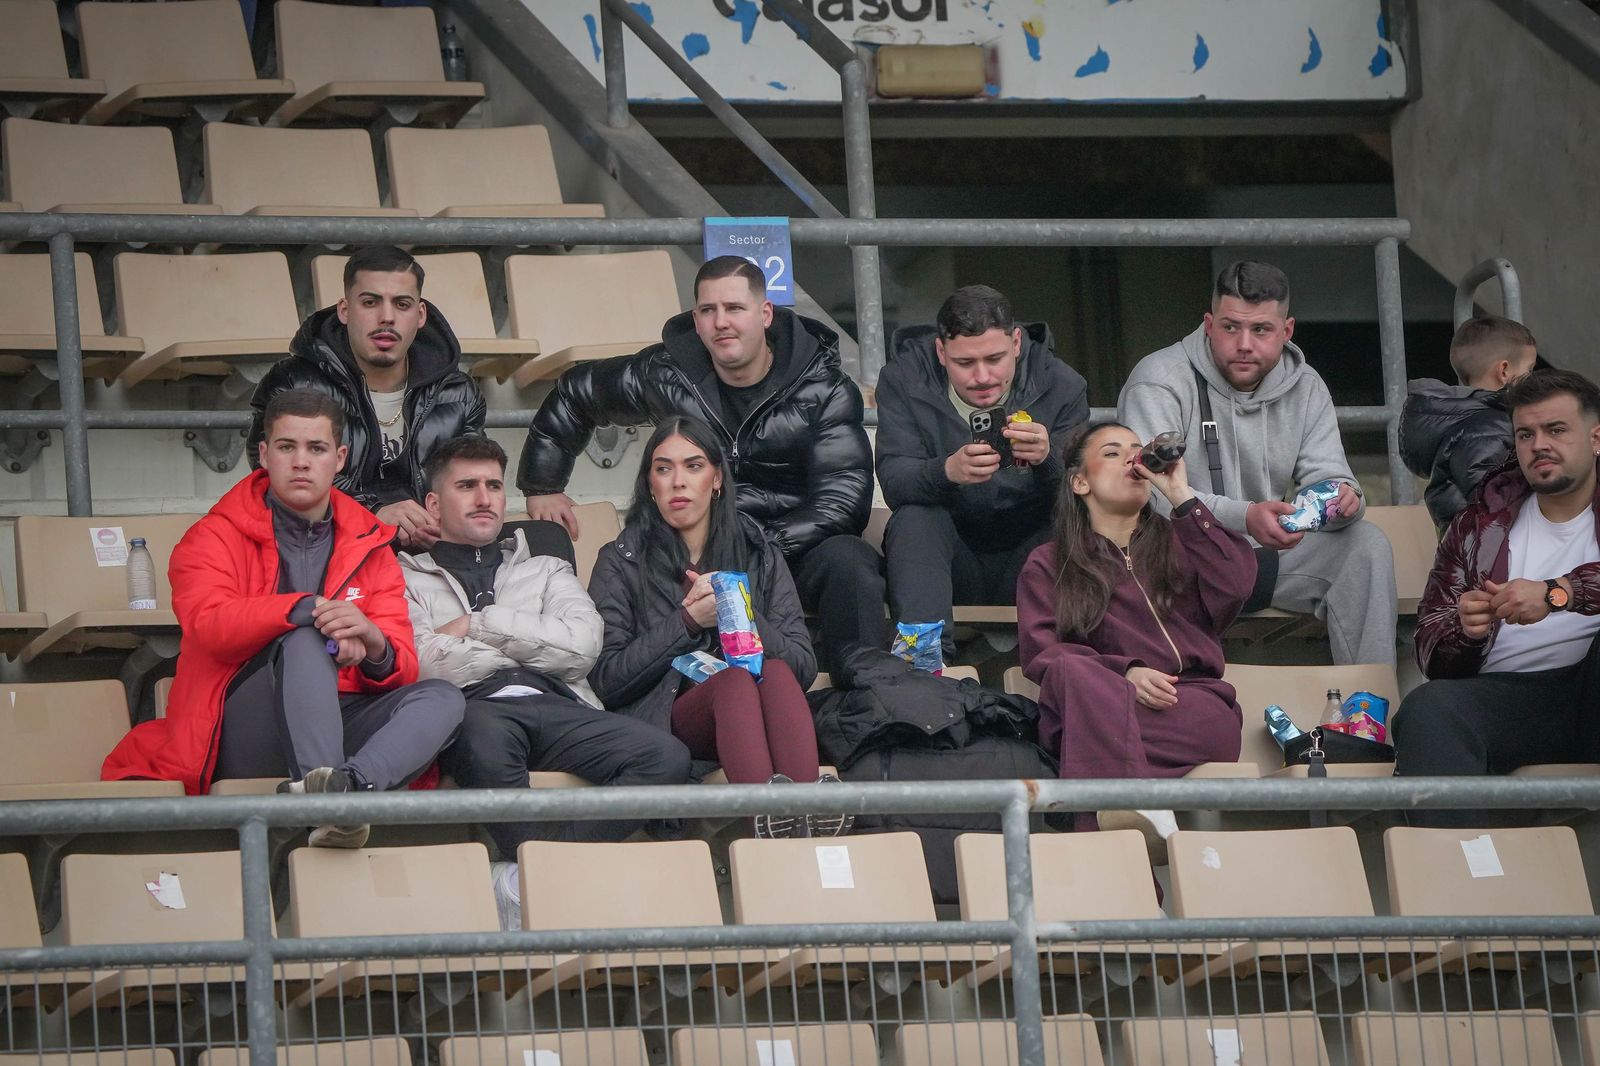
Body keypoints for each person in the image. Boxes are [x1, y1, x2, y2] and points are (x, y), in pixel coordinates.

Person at [103, 389, 465, 848]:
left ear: (339, 458)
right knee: (304, 640)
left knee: (443, 697)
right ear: (263, 455)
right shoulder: (212, 535)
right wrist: (307, 611)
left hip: (338, 717)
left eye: (315, 449)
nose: (300, 462)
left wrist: (373, 643)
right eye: (286, 447)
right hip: (241, 726)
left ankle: (345, 790)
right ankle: (328, 811)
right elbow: (209, 625)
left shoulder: (371, 542)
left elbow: (401, 661)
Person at [518, 255, 883, 667]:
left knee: (851, 560)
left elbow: (843, 499)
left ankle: (863, 686)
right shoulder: (667, 374)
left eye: (734, 309)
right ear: (695, 319)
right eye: (708, 310)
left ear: (765, 314)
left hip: (790, 548)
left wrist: (761, 548)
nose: (721, 322)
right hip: (694, 553)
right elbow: (578, 391)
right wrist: (542, 484)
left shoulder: (824, 387)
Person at [400, 435, 692, 925]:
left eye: (494, 485)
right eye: (466, 485)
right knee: (484, 740)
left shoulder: (547, 567)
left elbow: (581, 647)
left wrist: (478, 625)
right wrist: (528, 640)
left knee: (667, 757)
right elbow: (421, 661)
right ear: (433, 503)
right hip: (471, 708)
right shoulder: (403, 576)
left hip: (557, 703)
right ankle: (562, 883)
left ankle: (526, 879)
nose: (484, 497)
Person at [1118, 259, 1397, 668]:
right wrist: (1245, 517)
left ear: (1287, 332)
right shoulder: (1160, 378)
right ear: (1209, 324)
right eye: (1231, 327)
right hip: (1176, 560)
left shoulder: (1307, 385)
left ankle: (1368, 713)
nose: (1244, 343)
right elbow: (1150, 496)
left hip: (1259, 558)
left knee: (1366, 545)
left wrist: (1341, 500)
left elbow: (1329, 474)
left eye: (1261, 329)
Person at [587, 416, 847, 838]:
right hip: (661, 722)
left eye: (693, 466)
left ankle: (799, 819)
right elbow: (607, 679)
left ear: (717, 479)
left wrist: (736, 609)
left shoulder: (758, 551)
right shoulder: (621, 559)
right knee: (733, 683)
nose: (677, 482)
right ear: (649, 484)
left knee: (775, 671)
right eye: (663, 468)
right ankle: (775, 820)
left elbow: (801, 666)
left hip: (752, 714)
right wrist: (688, 622)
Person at [1016, 422, 1256, 859]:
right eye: (1112, 452)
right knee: (1073, 676)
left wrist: (1181, 495)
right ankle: (1134, 807)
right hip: (1096, 703)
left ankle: (1125, 838)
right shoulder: (1049, 562)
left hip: (1188, 709)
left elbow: (1237, 586)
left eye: (1136, 450)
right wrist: (1124, 672)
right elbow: (1043, 654)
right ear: (1079, 481)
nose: (1131, 458)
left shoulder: (1183, 538)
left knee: (1084, 751)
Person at [1394, 370, 1600, 825]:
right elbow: (1429, 643)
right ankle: (1462, 876)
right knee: (1429, 709)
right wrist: (1464, 630)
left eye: (1557, 430)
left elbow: (1562, 594)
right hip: (1511, 702)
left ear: (1596, 438)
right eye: (1526, 434)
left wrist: (1558, 593)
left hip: (1592, 690)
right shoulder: (1478, 523)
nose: (1539, 444)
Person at [875, 284, 1089, 647]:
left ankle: (1067, 663)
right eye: (965, 363)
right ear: (941, 352)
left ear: (1017, 343)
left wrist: (1048, 459)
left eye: (995, 359)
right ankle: (924, 663)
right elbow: (895, 483)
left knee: (1075, 525)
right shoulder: (903, 379)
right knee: (914, 519)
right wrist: (946, 471)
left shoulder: (1062, 384)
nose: (983, 377)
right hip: (948, 553)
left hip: (1030, 552)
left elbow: (1088, 492)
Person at [248, 245, 486, 550]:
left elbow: (471, 477)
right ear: (345, 311)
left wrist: (445, 522)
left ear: (420, 314)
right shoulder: (295, 383)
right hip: (326, 553)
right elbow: (274, 477)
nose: (386, 318)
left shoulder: (459, 392)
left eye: (402, 304)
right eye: (371, 302)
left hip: (430, 556)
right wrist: (373, 512)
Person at [1400, 316, 1542, 532]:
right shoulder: (1488, 428)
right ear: (1504, 371)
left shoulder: (1469, 422)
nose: (1531, 380)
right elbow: (1492, 503)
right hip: (1484, 554)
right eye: (1529, 371)